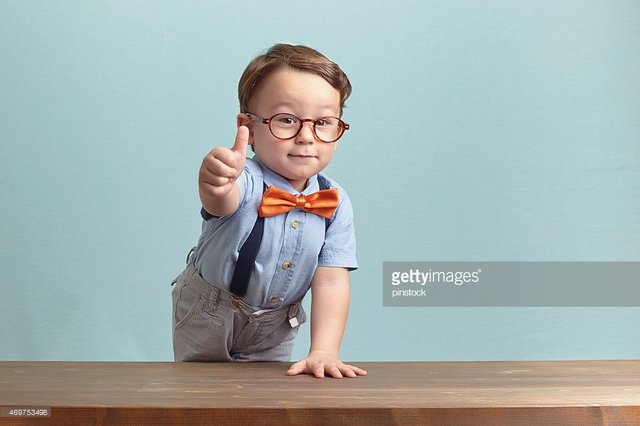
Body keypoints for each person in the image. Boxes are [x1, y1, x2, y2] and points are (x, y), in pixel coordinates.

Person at [171, 43, 366, 379]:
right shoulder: (243, 178)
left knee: (266, 399)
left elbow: (331, 281)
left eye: (323, 122)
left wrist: (324, 350)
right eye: (286, 120)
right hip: (208, 312)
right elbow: (222, 199)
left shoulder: (334, 201)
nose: (307, 137)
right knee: (200, 395)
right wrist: (215, 182)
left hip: (275, 322)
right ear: (248, 128)